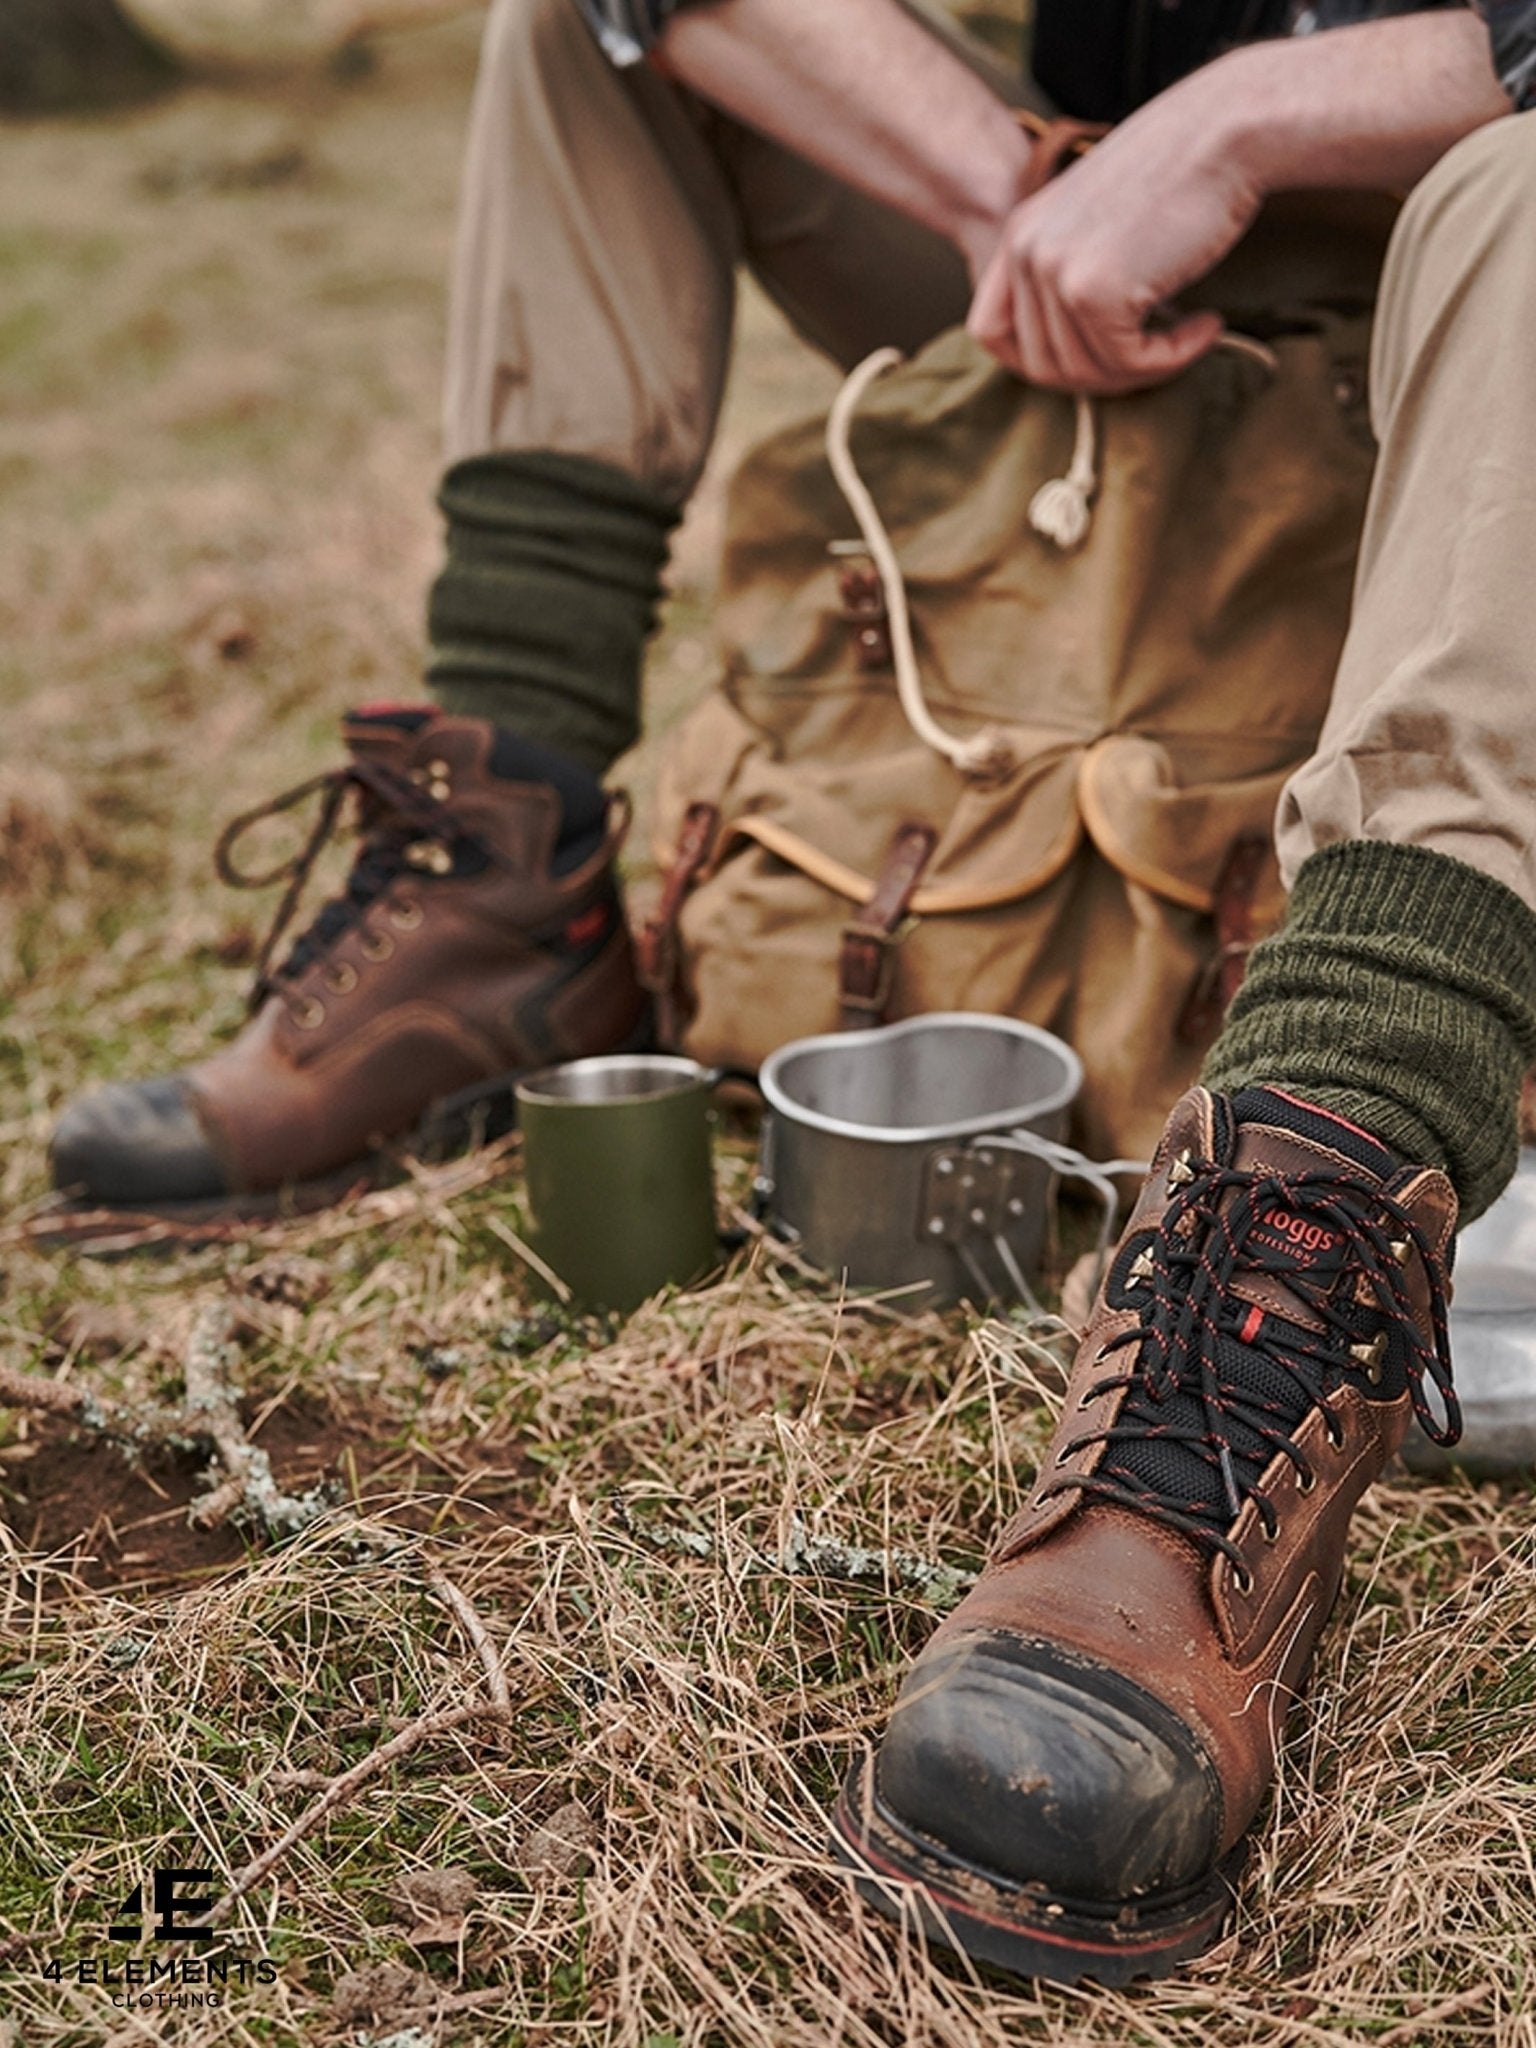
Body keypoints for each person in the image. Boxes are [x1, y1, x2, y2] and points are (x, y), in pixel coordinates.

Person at [51, 0, 1536, 1982]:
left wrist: (1260, 116)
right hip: (1093, 177)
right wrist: (1000, 177)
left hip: (1468, 178)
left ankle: (1304, 1230)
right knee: (588, 44)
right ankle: (506, 906)